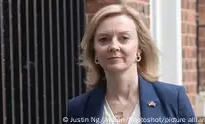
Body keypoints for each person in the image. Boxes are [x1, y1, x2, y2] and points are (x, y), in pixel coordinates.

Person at [67, 4, 196, 124]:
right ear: (94, 51)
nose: (114, 46)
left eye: (124, 38)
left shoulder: (173, 99)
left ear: (139, 48)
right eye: (103, 39)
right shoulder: (77, 109)